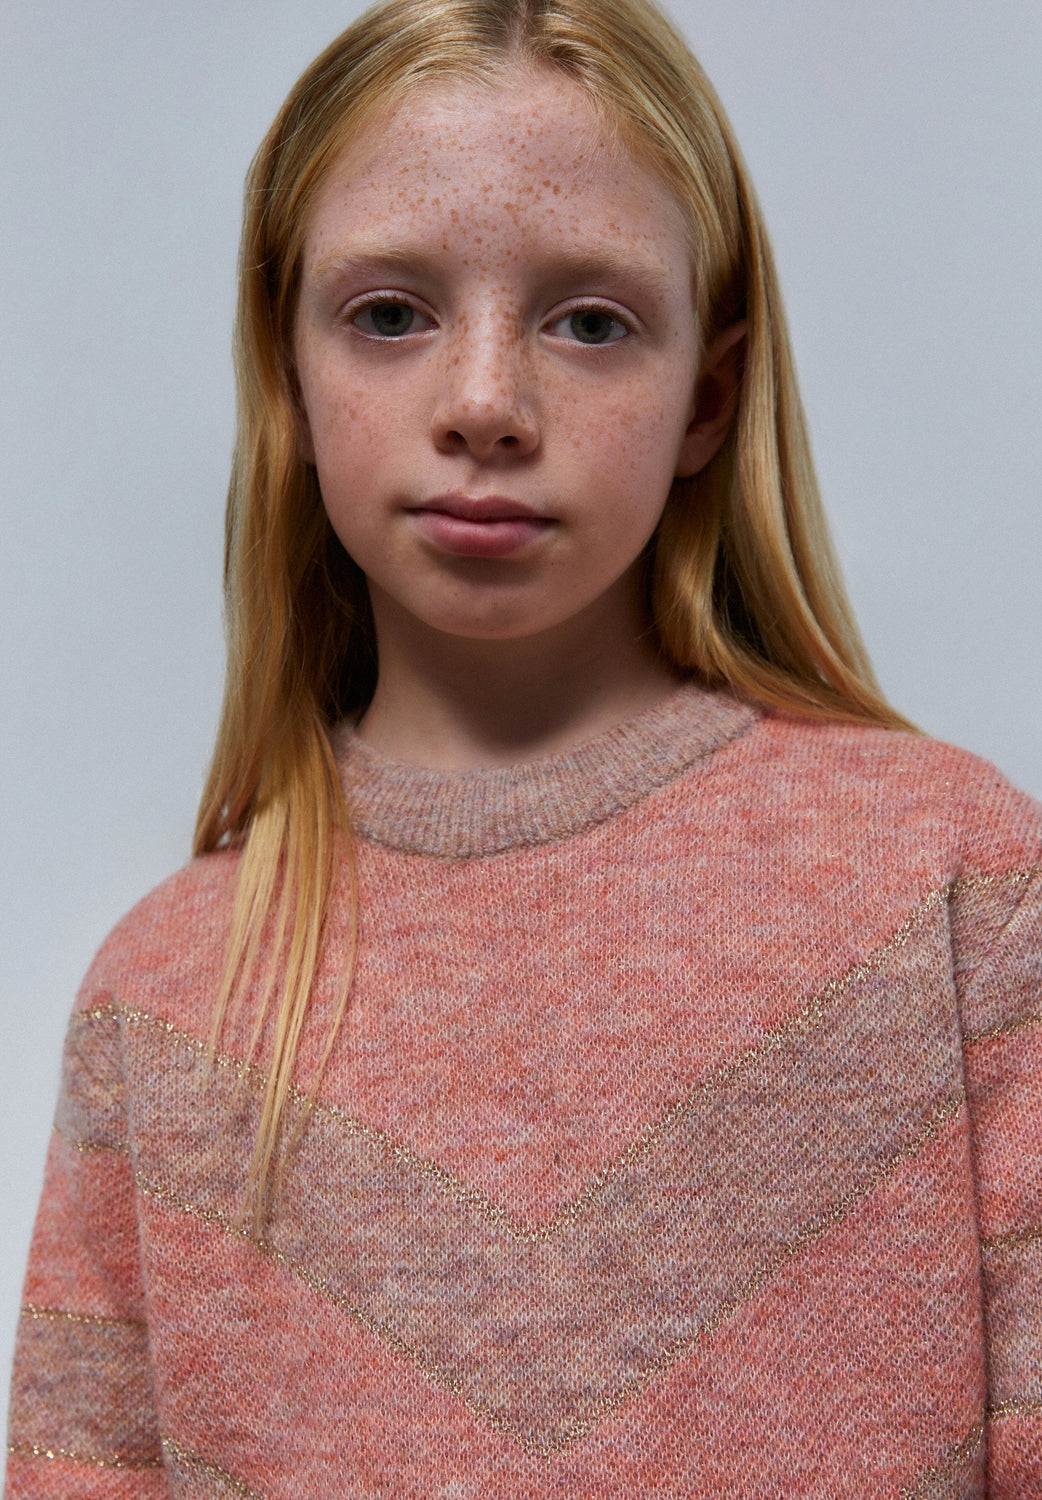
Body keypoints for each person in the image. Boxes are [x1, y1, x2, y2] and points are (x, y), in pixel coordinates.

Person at [6, 0, 1040, 1493]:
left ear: (708, 396)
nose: (485, 403)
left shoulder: (956, 888)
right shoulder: (164, 1001)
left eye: (590, 323)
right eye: (389, 315)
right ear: (288, 375)